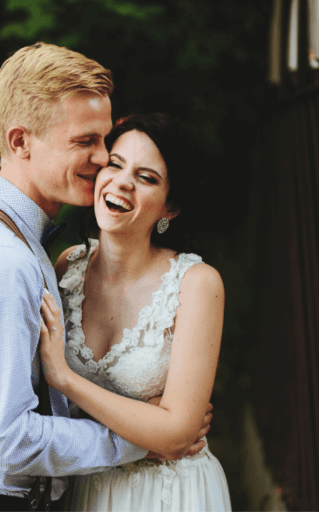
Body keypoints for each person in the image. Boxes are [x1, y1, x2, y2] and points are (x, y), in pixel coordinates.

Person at [0, 43, 211, 511]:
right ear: (20, 142)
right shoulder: (0, 262)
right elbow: (7, 439)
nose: (102, 158)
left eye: (103, 141)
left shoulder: (25, 246)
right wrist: (138, 442)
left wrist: (157, 420)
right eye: (85, 142)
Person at [39, 113, 232, 511]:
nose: (122, 182)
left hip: (168, 494)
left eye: (146, 178)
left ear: (170, 207)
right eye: (115, 164)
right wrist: (148, 427)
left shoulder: (196, 284)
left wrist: (65, 379)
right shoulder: (67, 267)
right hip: (87, 486)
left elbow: (177, 435)